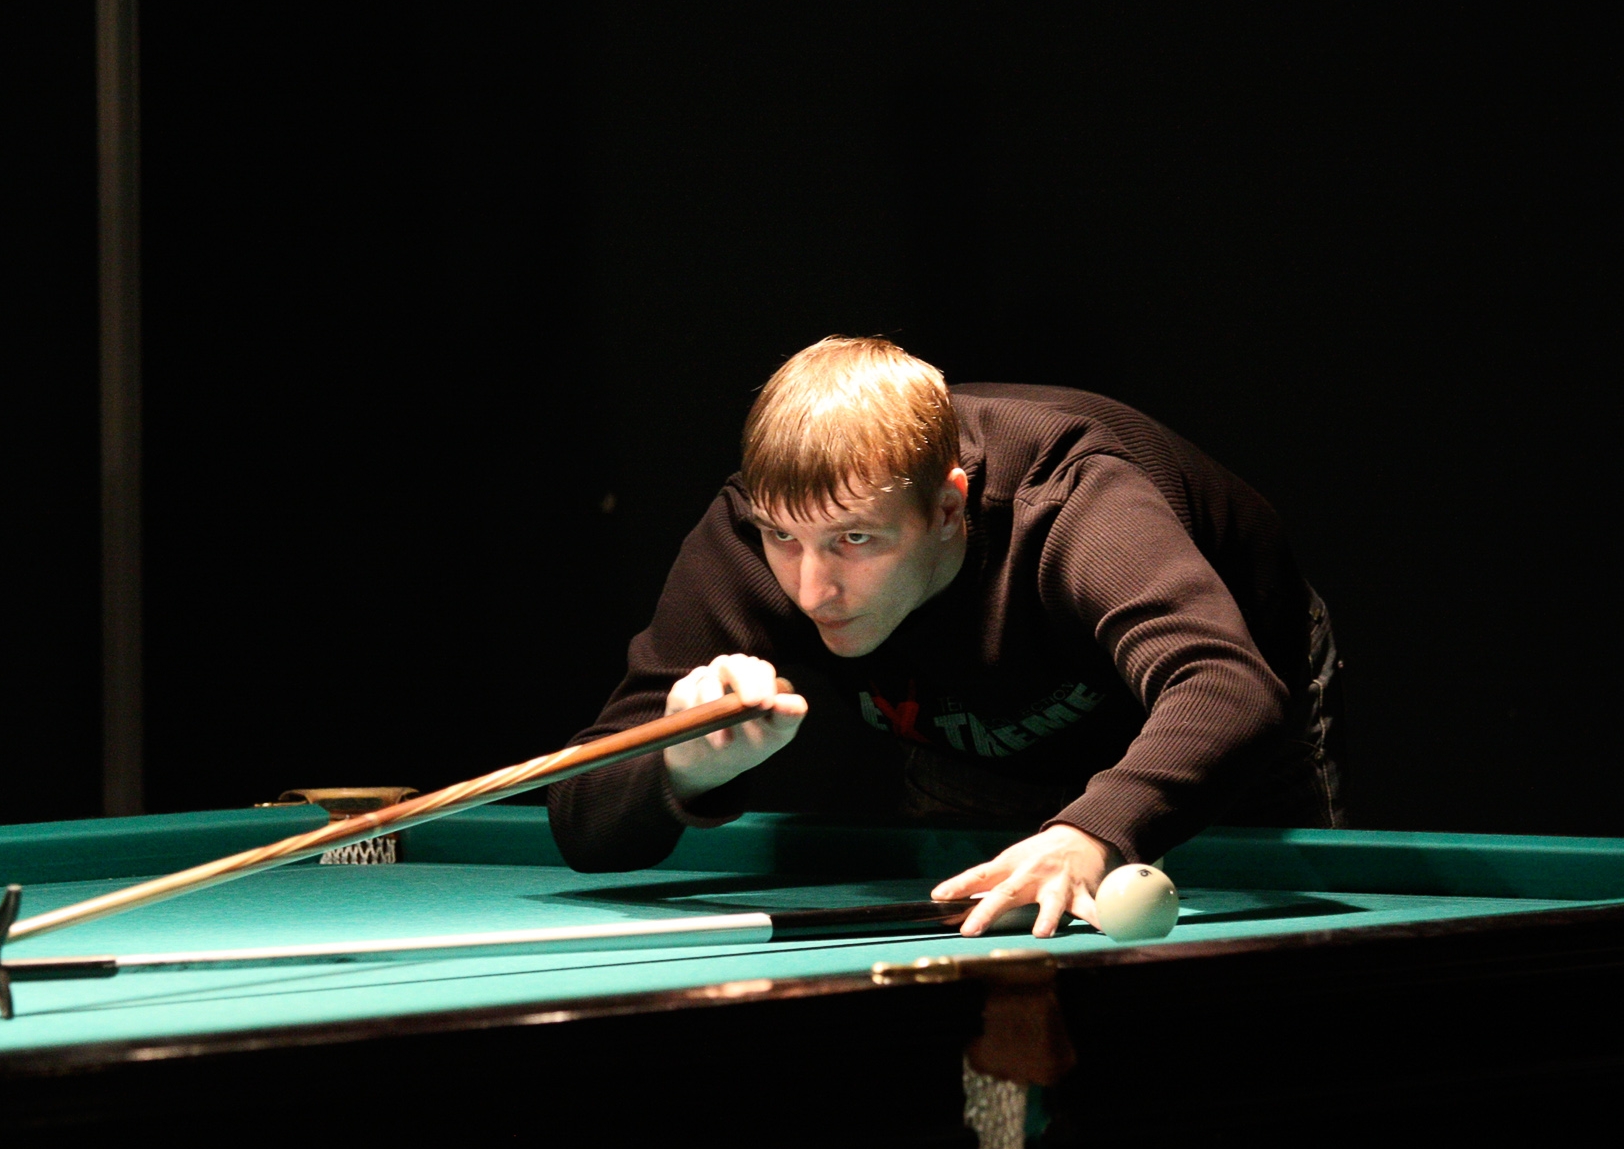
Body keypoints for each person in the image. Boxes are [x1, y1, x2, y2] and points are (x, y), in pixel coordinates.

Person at [548, 336, 1342, 937]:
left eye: (857, 540)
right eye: (784, 537)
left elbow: (1225, 686)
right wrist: (681, 763)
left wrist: (1092, 830)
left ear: (948, 509)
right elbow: (582, 815)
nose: (812, 589)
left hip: (1210, 702)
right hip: (975, 730)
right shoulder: (751, 531)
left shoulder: (1067, 502)